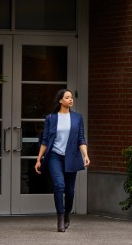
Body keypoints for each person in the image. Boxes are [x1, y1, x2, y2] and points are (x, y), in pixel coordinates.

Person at [34, 89, 90, 232]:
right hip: (54, 156)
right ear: (60, 100)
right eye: (67, 97)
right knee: (59, 185)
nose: (71, 100)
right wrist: (39, 159)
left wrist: (85, 155)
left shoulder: (77, 118)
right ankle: (59, 218)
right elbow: (45, 140)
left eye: (71, 97)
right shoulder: (51, 118)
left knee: (70, 190)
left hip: (72, 156)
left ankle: (66, 214)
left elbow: (81, 139)